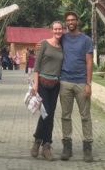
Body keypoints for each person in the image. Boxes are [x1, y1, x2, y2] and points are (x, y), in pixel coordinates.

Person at [59, 11, 94, 162]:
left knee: (85, 116)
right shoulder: (63, 38)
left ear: (77, 21)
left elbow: (89, 62)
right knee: (65, 116)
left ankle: (87, 148)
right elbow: (52, 42)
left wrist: (88, 83)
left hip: (81, 83)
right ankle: (67, 147)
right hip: (65, 82)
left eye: (73, 19)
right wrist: (41, 44)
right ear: (66, 23)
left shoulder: (86, 40)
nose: (70, 22)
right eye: (68, 20)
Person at [30, 21, 64, 161]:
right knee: (46, 113)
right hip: (43, 83)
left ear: (62, 30)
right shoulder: (44, 44)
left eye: (60, 29)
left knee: (50, 114)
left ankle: (44, 145)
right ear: (51, 30)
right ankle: (41, 142)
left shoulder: (63, 46)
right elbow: (37, 66)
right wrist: (35, 84)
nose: (57, 31)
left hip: (55, 84)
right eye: (55, 29)